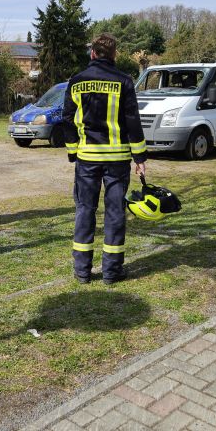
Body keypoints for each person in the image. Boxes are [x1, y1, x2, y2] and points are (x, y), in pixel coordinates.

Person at [61, 33, 147, 285]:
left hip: (87, 158)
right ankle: (111, 272)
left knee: (85, 210)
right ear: (114, 55)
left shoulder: (76, 81)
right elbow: (132, 119)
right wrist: (139, 156)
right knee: (114, 213)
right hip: (118, 159)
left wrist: (71, 150)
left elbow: (67, 119)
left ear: (92, 54)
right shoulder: (124, 81)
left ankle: (82, 271)